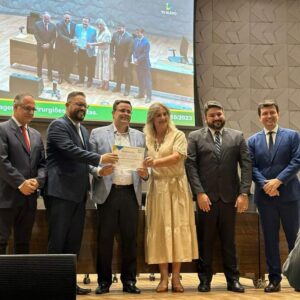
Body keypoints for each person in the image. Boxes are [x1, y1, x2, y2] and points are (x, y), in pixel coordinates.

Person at [45, 91, 118, 295]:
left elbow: (82, 162)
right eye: (79, 105)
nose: (83, 109)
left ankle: (68, 283)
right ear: (67, 105)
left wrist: (97, 171)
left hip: (78, 194)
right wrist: (100, 158)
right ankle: (52, 286)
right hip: (60, 193)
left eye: (85, 106)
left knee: (73, 243)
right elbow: (70, 151)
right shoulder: (58, 125)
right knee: (58, 241)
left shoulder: (83, 131)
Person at [185, 100, 252, 293]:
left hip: (231, 199)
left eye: (219, 114)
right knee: (205, 240)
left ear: (223, 115)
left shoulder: (237, 136)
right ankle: (204, 280)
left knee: (229, 241)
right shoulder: (195, 137)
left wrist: (244, 193)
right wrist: (199, 193)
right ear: (206, 118)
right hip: (206, 199)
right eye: (212, 115)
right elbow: (190, 166)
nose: (216, 118)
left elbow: (246, 165)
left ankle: (233, 280)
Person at [89, 100, 147, 295]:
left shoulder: (140, 136)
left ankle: (129, 281)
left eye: (129, 111)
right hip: (108, 193)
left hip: (131, 193)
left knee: (130, 240)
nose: (125, 114)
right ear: (113, 113)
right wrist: (99, 171)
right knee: (104, 239)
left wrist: (145, 173)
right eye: (122, 110)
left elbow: (146, 166)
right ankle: (104, 281)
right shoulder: (98, 134)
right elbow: (89, 161)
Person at [143, 102, 198, 293]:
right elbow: (143, 164)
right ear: (152, 118)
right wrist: (142, 169)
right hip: (157, 188)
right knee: (159, 231)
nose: (163, 118)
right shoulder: (147, 138)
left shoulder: (179, 135)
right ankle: (163, 279)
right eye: (158, 115)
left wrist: (154, 162)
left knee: (177, 231)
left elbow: (177, 157)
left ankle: (176, 279)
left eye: (165, 114)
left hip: (177, 187)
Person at [248, 100, 300, 293]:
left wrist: (277, 181)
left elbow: (297, 161)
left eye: (272, 113)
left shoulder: (293, 136)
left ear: (278, 114)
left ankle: (299, 278)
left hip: (290, 196)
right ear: (260, 117)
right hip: (265, 198)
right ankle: (274, 280)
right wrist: (266, 184)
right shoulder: (252, 141)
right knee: (270, 240)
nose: (269, 116)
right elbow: (251, 167)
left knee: (294, 239)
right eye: (265, 114)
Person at [0, 93, 46, 255]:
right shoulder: (2, 129)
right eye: (27, 108)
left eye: (33, 109)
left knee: (23, 243)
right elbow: (2, 162)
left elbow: (42, 164)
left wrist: (37, 181)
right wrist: (21, 183)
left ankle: (20, 279)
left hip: (29, 199)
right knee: (1, 241)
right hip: (5, 198)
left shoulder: (35, 134)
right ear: (15, 107)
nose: (31, 112)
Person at [110, 23, 133, 96]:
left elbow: (130, 50)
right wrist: (112, 56)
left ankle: (127, 90)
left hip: (126, 60)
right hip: (117, 59)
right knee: (118, 73)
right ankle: (118, 87)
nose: (119, 30)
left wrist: (126, 60)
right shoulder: (115, 34)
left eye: (120, 28)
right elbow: (111, 46)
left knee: (127, 75)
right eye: (118, 28)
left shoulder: (129, 37)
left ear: (124, 28)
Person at [88, 18, 111, 90]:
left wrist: (92, 44)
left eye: (101, 24)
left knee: (106, 68)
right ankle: (102, 82)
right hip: (100, 51)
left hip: (106, 52)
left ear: (104, 24)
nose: (99, 26)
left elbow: (103, 42)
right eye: (98, 25)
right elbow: (97, 40)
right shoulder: (98, 31)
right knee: (100, 67)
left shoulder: (107, 33)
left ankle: (106, 84)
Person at [74, 17, 97, 88]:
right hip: (80, 50)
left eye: (86, 22)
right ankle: (81, 79)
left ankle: (90, 81)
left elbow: (95, 41)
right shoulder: (78, 27)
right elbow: (75, 36)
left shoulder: (93, 30)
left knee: (90, 67)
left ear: (89, 23)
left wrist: (90, 46)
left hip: (89, 51)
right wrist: (75, 41)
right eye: (83, 21)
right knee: (80, 66)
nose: (84, 23)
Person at [33, 12, 56, 81]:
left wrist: (49, 44)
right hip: (40, 47)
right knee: (40, 61)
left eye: (48, 19)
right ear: (43, 18)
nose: (47, 20)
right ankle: (39, 75)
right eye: (46, 19)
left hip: (49, 47)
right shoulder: (37, 24)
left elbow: (54, 37)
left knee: (50, 62)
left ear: (50, 19)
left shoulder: (53, 26)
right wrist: (42, 44)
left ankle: (50, 75)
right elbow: (36, 35)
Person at [55, 12, 76, 84]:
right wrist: (70, 40)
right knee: (61, 63)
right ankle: (60, 77)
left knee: (69, 63)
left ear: (71, 18)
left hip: (70, 48)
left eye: (68, 18)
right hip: (61, 47)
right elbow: (60, 35)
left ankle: (67, 76)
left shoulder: (74, 25)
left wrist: (74, 41)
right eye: (66, 18)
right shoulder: (59, 24)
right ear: (63, 18)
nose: (67, 19)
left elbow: (74, 34)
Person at [133, 28, 152, 103]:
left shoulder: (146, 42)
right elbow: (134, 50)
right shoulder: (136, 40)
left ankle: (149, 97)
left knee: (147, 81)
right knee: (140, 79)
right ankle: (141, 94)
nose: (137, 34)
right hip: (138, 64)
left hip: (144, 65)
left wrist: (137, 59)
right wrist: (134, 58)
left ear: (142, 33)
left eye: (138, 33)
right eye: (136, 33)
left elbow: (145, 54)